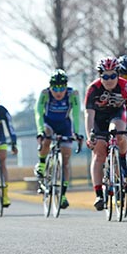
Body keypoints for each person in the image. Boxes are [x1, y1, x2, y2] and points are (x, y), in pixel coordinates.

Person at [85, 57, 127, 211]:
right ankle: (98, 194)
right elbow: (89, 115)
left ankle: (122, 161)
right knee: (99, 153)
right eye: (105, 76)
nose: (109, 80)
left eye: (112, 76)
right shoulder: (93, 89)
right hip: (98, 119)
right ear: (100, 76)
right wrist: (90, 135)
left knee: (117, 132)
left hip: (117, 114)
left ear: (118, 74)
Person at [34, 69, 81, 209]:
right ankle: (42, 163)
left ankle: (63, 195)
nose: (58, 91)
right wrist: (40, 131)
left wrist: (76, 133)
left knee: (66, 160)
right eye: (55, 88)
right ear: (50, 87)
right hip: (48, 123)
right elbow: (38, 113)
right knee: (47, 137)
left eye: (62, 87)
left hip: (65, 125)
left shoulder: (73, 94)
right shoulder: (45, 94)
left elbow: (77, 115)